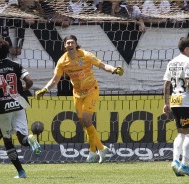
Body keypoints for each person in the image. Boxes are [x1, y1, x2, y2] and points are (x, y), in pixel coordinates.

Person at [35, 35, 124, 163]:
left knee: (87, 119)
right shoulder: (62, 62)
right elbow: (55, 80)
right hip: (77, 93)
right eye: (68, 43)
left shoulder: (86, 55)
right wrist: (45, 89)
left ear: (76, 44)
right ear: (64, 46)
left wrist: (114, 70)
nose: (70, 45)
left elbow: (102, 65)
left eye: (72, 43)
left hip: (91, 90)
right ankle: (94, 151)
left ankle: (99, 148)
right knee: (83, 123)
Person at [0, 37, 40, 178]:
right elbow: (30, 81)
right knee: (23, 138)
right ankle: (30, 138)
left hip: (2, 108)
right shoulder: (16, 65)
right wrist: (23, 87)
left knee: (8, 140)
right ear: (7, 51)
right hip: (18, 103)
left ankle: (21, 172)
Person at [163, 36, 189, 176]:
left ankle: (175, 161)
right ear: (187, 49)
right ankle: (185, 164)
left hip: (175, 101)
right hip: (187, 102)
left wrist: (166, 103)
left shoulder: (172, 62)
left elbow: (166, 84)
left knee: (181, 133)